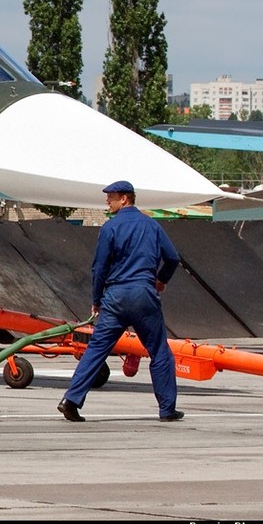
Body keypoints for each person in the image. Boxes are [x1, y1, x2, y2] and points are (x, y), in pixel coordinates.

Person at [57, 180, 185, 423]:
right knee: (159, 351)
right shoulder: (152, 226)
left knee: (96, 349)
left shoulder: (110, 228)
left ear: (125, 198)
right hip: (143, 294)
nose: (107, 201)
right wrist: (161, 280)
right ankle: (167, 409)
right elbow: (172, 257)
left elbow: (100, 268)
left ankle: (71, 400)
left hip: (115, 298)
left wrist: (97, 299)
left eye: (111, 197)